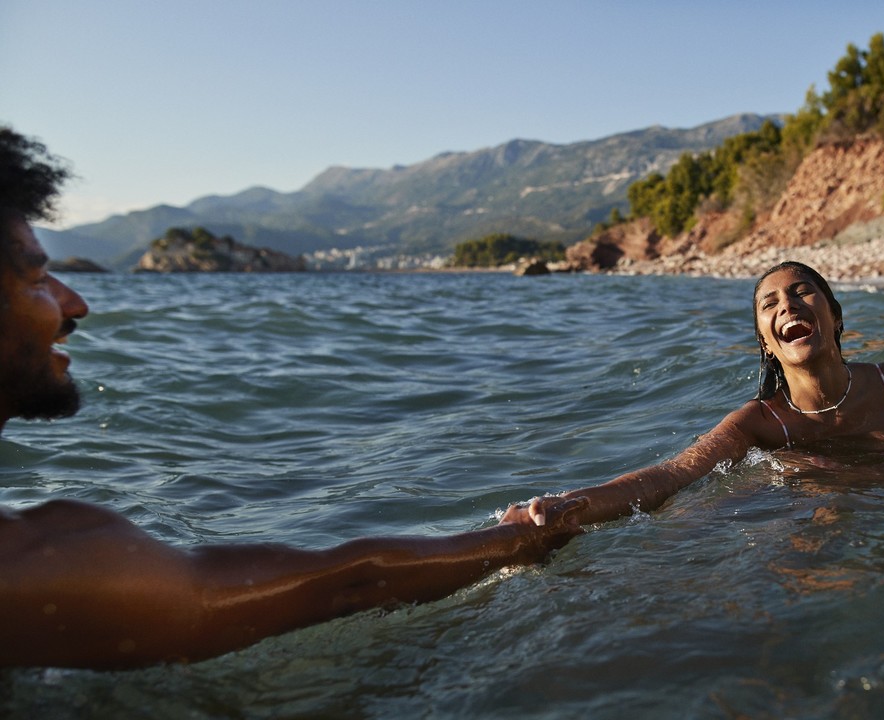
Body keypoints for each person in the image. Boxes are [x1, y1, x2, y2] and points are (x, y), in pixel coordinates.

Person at [0, 127, 587, 670]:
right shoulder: (42, 564)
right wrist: (530, 533)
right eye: (34, 279)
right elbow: (346, 584)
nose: (74, 304)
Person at [517, 260, 884, 527]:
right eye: (770, 303)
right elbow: (672, 475)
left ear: (835, 317)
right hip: (806, 528)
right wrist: (578, 501)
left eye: (803, 292)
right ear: (767, 341)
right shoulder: (758, 424)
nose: (787, 305)